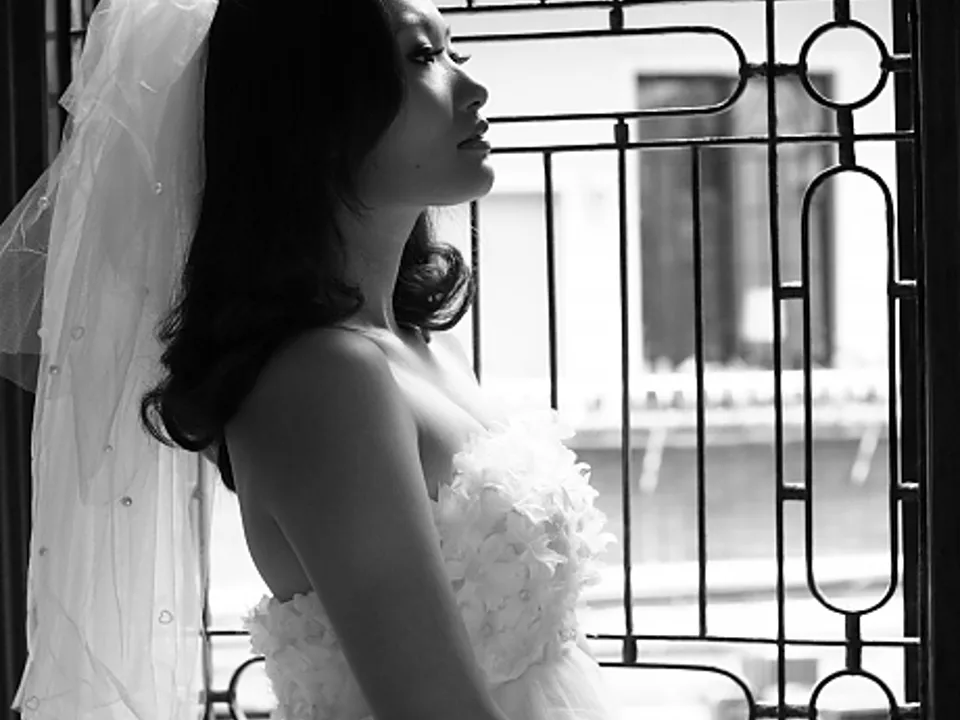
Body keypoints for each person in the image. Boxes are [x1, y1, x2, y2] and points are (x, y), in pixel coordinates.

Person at [0, 0, 618, 718]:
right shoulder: (324, 381)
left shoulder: (418, 345)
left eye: (457, 54)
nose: (473, 89)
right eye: (422, 57)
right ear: (314, 107)